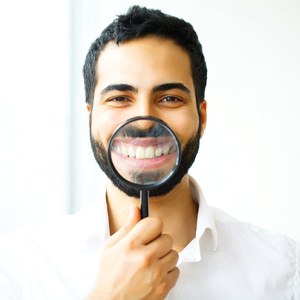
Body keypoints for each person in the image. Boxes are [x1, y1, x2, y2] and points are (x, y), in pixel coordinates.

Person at [0, 5, 299, 300]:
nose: (144, 119)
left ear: (202, 117)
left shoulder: (284, 268)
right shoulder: (18, 268)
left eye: (169, 98)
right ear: (90, 117)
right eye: (119, 98)